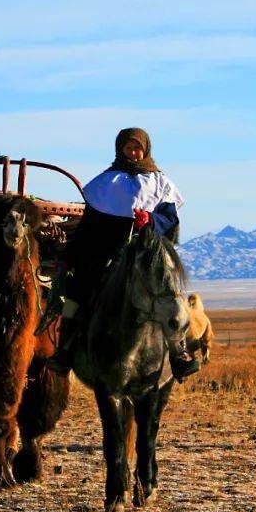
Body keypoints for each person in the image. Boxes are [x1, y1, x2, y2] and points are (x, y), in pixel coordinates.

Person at [47, 127, 200, 381]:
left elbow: (170, 220)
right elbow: (90, 223)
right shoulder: (106, 183)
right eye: (128, 148)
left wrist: (150, 220)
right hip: (110, 252)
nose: (133, 152)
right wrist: (73, 254)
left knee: (171, 297)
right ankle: (65, 349)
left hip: (149, 252)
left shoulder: (161, 183)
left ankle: (178, 353)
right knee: (78, 291)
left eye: (137, 147)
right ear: (120, 150)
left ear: (146, 149)